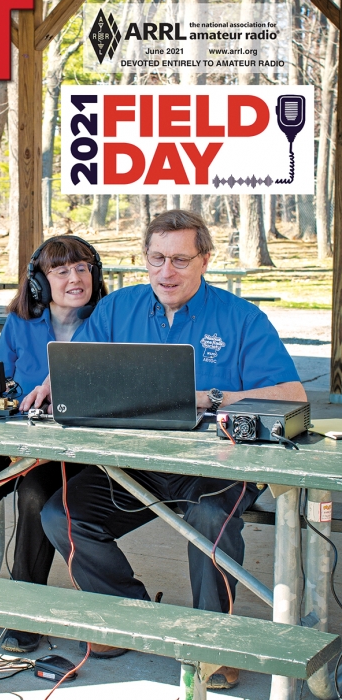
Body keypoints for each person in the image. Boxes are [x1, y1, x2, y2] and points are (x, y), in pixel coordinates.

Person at [25, 210, 305, 688]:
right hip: (137, 461)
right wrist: (55, 383)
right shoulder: (118, 309)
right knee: (61, 514)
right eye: (157, 259)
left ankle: (212, 643)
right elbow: (79, 364)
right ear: (145, 258)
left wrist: (208, 397)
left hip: (219, 462)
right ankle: (129, 614)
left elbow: (292, 395)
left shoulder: (241, 318)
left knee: (210, 520)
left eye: (180, 259)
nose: (166, 272)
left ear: (205, 260)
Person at [0, 235, 107, 654]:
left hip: (72, 444)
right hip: (16, 432)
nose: (75, 278)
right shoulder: (19, 322)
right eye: (61, 271)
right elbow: (1, 381)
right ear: (38, 282)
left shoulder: (108, 321)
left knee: (34, 495)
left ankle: (26, 607)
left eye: (82, 268)